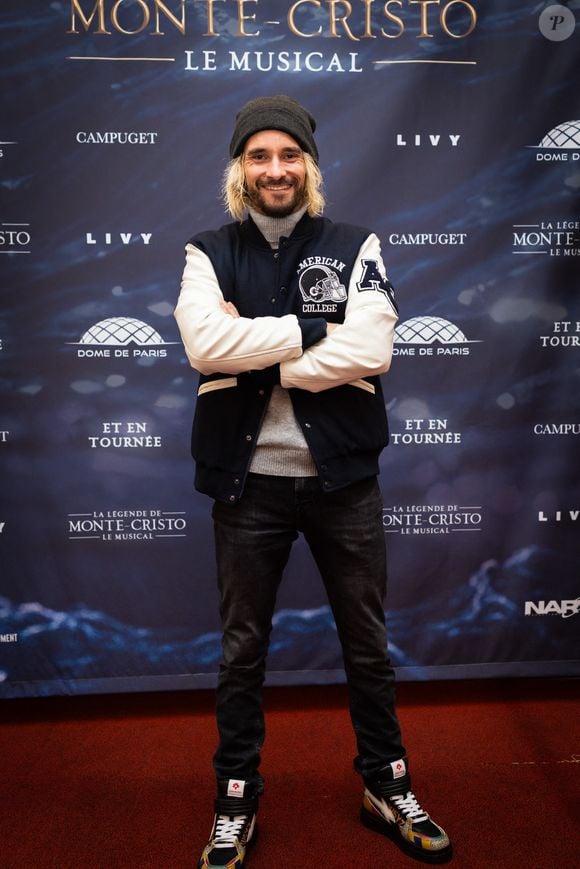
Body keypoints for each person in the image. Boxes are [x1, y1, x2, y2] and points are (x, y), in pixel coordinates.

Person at [174, 94, 452, 867]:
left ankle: (387, 784)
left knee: (367, 645)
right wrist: (310, 329)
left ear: (309, 166)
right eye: (259, 156)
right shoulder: (206, 251)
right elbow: (204, 342)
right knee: (241, 651)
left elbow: (373, 351)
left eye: (288, 154)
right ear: (240, 169)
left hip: (343, 484)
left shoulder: (357, 244)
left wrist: (258, 348)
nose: (275, 169)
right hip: (246, 484)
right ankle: (235, 799)